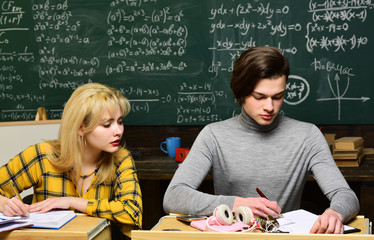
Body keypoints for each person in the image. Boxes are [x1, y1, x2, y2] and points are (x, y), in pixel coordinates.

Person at [163, 46, 359, 234]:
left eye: (278, 96)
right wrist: (235, 204)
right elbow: (174, 196)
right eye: (259, 96)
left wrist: (336, 212)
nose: (270, 107)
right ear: (241, 93)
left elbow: (346, 195)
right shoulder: (213, 136)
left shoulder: (308, 136)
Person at [0, 83, 142, 239]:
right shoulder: (41, 155)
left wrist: (72, 202)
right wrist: (3, 204)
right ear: (81, 128)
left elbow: (132, 212)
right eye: (107, 125)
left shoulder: (121, 159)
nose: (118, 131)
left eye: (120, 122)